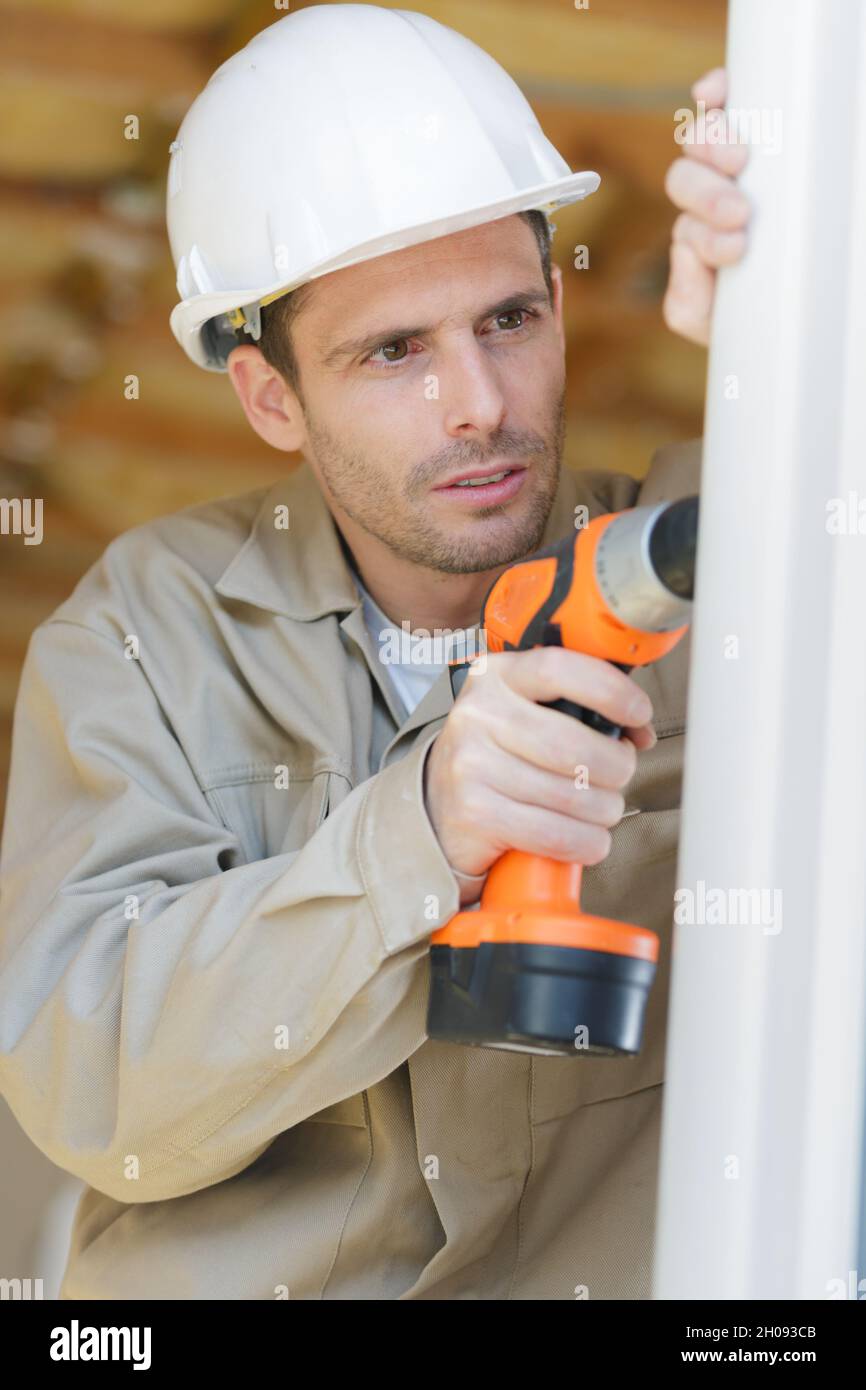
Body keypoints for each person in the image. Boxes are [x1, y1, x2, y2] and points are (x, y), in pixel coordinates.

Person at [0, 8, 749, 1299]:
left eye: (508, 319)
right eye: (394, 351)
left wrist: (801, 333)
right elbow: (91, 1083)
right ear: (270, 396)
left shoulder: (721, 566)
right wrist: (416, 833)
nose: (479, 401)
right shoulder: (147, 637)